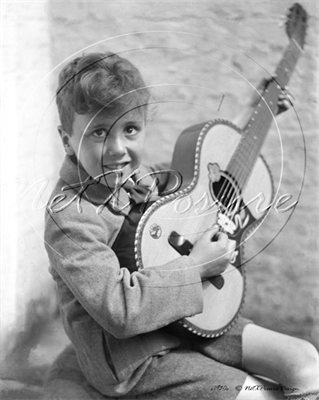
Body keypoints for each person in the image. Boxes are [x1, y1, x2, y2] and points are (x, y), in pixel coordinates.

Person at [43, 52, 318, 400]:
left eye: (130, 130)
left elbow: (198, 168)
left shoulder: (137, 176)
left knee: (305, 363)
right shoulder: (69, 218)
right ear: (66, 139)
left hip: (193, 322)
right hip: (137, 358)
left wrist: (255, 113)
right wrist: (196, 265)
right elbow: (118, 309)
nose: (118, 149)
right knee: (258, 395)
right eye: (99, 132)